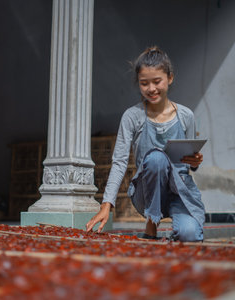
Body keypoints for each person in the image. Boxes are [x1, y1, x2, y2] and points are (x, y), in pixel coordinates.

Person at [86, 46, 205, 242]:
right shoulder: (133, 116)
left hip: (179, 191)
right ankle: (151, 227)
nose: (151, 89)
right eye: (144, 83)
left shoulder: (186, 116)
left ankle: (178, 228)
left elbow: (190, 164)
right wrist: (106, 204)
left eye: (157, 81)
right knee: (157, 158)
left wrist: (195, 161)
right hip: (146, 192)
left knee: (189, 235)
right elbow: (119, 162)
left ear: (170, 78)